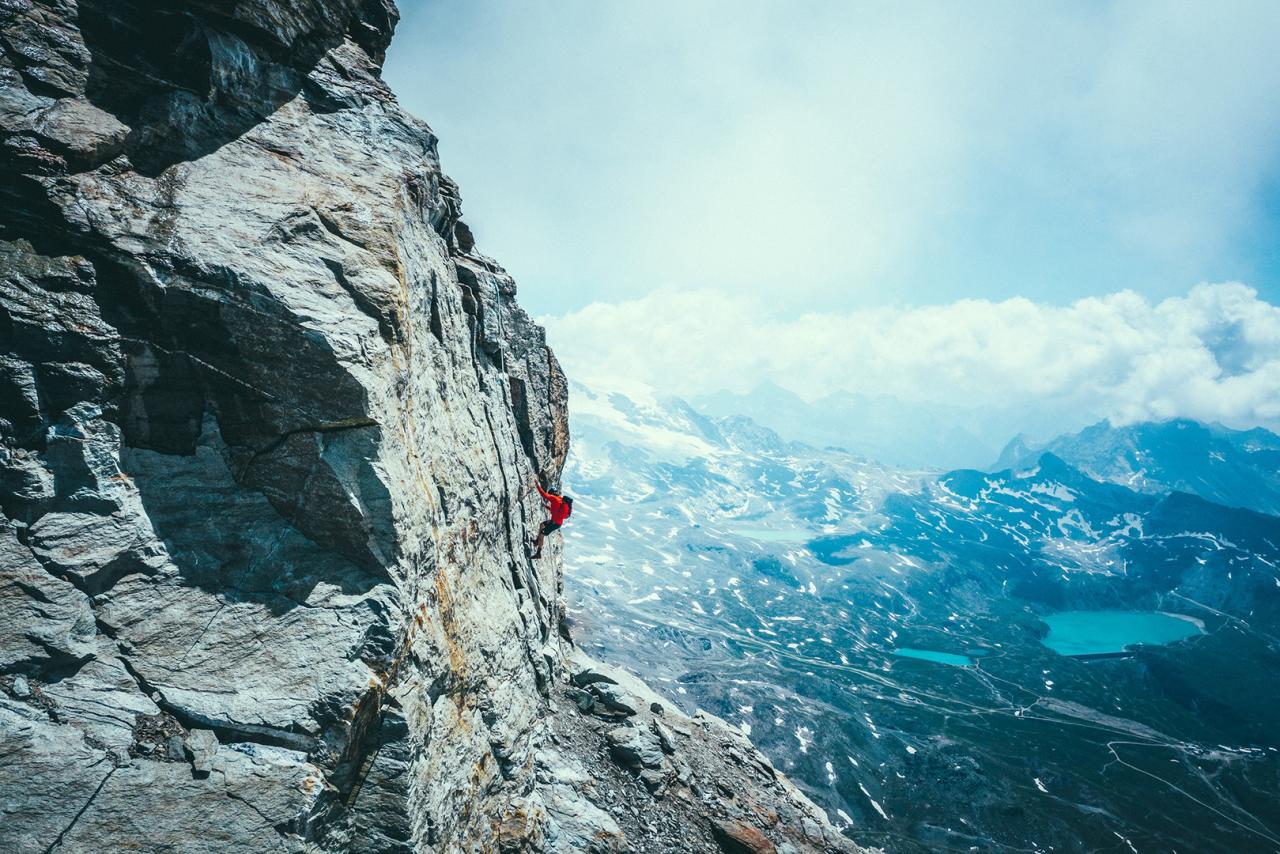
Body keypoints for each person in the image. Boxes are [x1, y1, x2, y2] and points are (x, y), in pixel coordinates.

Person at [531, 478, 573, 558]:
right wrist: (547, 507)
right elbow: (556, 511)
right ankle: (537, 542)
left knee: (542, 534)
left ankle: (538, 553)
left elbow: (543, 494)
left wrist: (537, 485)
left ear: (552, 493)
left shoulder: (554, 499)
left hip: (554, 523)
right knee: (542, 525)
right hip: (556, 522)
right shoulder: (560, 499)